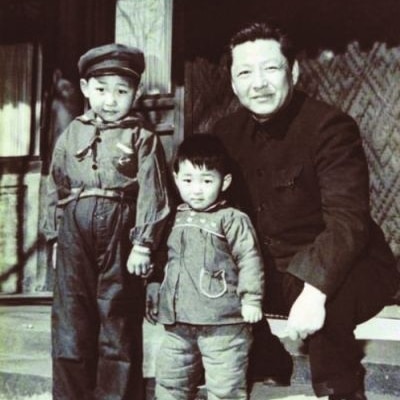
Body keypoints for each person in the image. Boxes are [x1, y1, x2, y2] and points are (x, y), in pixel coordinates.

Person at [213, 21, 400, 400]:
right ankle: (264, 360)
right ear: (233, 83)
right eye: (245, 72)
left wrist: (314, 293)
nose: (259, 83)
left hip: (346, 267)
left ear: (293, 71)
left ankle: (341, 391)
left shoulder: (329, 126)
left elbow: (348, 221)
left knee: (329, 299)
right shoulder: (224, 135)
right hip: (268, 272)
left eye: (271, 68)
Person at [44, 43, 171, 400]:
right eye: (101, 90)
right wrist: (55, 238)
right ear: (85, 89)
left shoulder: (143, 138)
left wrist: (144, 243)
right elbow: (54, 182)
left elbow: (153, 191)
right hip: (74, 230)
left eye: (121, 91)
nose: (110, 100)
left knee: (116, 320)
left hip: (121, 231)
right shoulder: (71, 133)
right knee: (70, 320)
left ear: (136, 93)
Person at [146, 134, 265, 400]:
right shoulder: (174, 218)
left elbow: (249, 259)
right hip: (178, 324)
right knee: (169, 382)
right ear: (176, 179)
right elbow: (164, 258)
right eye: (187, 180)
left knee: (225, 387)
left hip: (223, 323)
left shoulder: (232, 219)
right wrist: (154, 286)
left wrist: (252, 300)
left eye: (206, 181)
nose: (196, 189)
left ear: (225, 182)